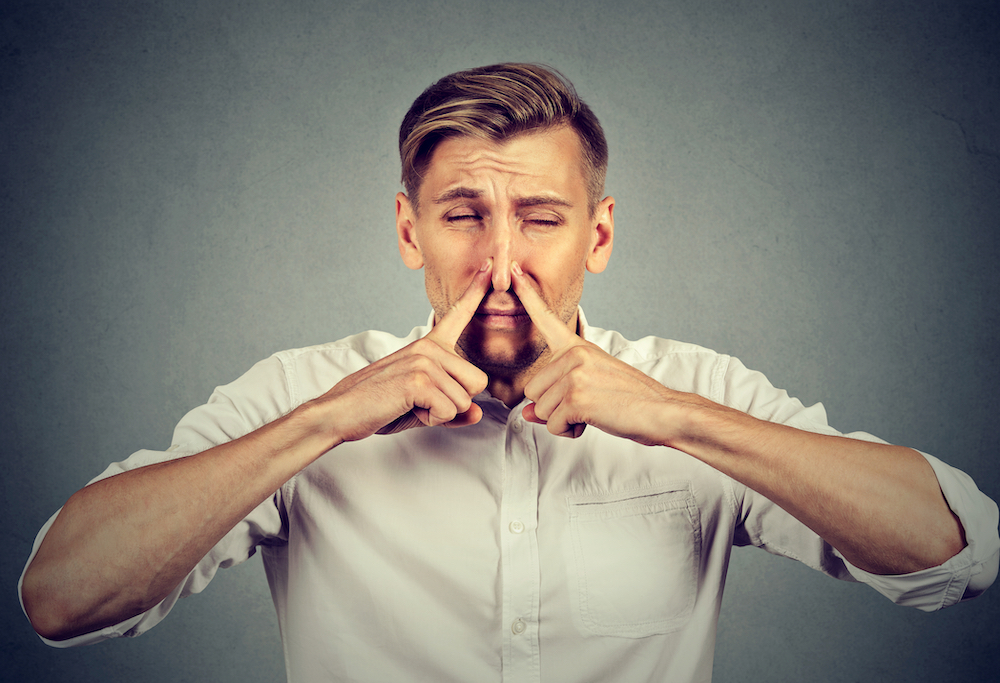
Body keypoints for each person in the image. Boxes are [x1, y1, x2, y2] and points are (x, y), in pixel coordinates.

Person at [19, 63, 1000, 683]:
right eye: (462, 217)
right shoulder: (306, 394)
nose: (499, 265)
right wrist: (322, 424)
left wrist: (675, 417)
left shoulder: (689, 393)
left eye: (539, 219)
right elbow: (59, 598)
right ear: (409, 230)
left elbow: (957, 553)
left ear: (597, 236)